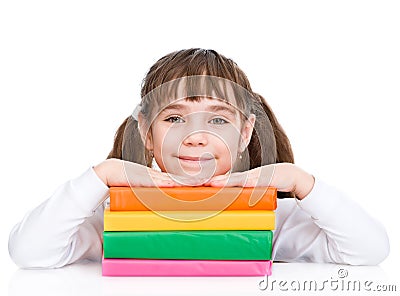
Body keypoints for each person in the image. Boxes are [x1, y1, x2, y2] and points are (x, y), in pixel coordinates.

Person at [8, 48, 389, 269]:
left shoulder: (272, 218)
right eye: (174, 118)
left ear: (244, 134)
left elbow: (370, 250)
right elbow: (29, 252)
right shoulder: (117, 215)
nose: (195, 136)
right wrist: (102, 175)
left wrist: (299, 182)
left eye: (219, 119)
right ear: (146, 133)